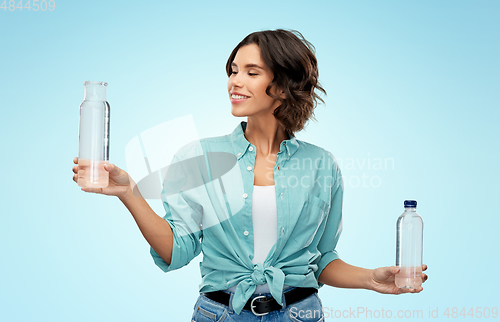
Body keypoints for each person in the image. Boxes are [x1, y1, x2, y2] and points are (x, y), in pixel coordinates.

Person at [72, 29, 428, 321]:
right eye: (233, 70)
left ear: (284, 86)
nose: (235, 81)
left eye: (251, 72)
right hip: (219, 314)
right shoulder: (199, 158)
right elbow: (176, 251)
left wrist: (370, 279)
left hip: (300, 314)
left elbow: (321, 260)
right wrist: (129, 193)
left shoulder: (321, 165)